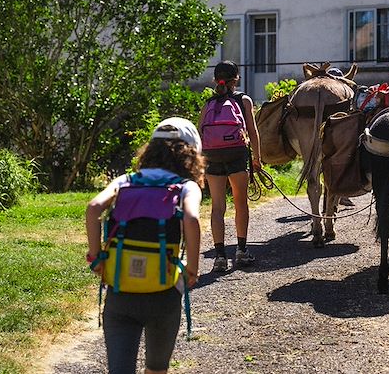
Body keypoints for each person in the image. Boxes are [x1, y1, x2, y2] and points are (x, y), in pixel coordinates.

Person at [85, 117, 203, 374]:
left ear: (150, 150)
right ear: (192, 152)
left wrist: (96, 259)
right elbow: (192, 219)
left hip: (120, 290)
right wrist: (191, 269)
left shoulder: (126, 180)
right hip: (163, 294)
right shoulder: (186, 186)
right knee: (156, 369)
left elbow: (94, 207)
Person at [202, 60, 262, 272]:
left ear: (215, 79)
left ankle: (219, 257)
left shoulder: (208, 102)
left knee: (217, 206)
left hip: (212, 156)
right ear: (237, 78)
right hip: (236, 154)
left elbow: (202, 132)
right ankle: (242, 251)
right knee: (240, 203)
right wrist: (257, 158)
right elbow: (252, 132)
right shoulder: (243, 100)